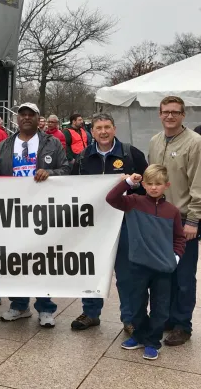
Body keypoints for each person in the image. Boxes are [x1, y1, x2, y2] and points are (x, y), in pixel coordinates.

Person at [70, 113, 148, 333]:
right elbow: (73, 188)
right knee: (91, 269)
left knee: (126, 273)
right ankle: (91, 313)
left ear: (114, 128)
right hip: (93, 224)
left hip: (124, 222)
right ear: (91, 132)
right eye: (98, 128)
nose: (103, 131)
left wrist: (133, 184)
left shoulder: (131, 154)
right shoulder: (83, 157)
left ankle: (129, 318)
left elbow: (148, 188)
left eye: (107, 127)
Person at [0, 103, 70, 327]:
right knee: (17, 259)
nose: (26, 118)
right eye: (22, 115)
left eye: (31, 115)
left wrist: (51, 172)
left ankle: (46, 308)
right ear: (17, 119)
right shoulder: (5, 145)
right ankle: (19, 305)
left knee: (42, 259)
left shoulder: (52, 143)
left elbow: (66, 169)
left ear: (39, 119)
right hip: (14, 211)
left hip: (42, 211)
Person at [107, 166, 186, 360]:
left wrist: (175, 258)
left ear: (166, 185)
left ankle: (153, 341)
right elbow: (111, 198)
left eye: (158, 184)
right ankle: (139, 335)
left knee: (160, 307)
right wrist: (127, 183)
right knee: (136, 304)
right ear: (143, 185)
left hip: (162, 269)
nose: (153, 188)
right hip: (138, 266)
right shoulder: (134, 202)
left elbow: (179, 238)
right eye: (149, 184)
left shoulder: (172, 211)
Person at [148, 95, 201, 346]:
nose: (170, 116)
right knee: (163, 272)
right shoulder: (155, 141)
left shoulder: (195, 143)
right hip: (159, 220)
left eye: (175, 112)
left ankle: (182, 324)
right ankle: (167, 317)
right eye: (165, 111)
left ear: (183, 115)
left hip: (183, 220)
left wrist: (193, 220)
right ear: (159, 114)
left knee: (184, 275)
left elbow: (198, 185)